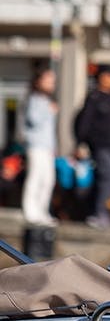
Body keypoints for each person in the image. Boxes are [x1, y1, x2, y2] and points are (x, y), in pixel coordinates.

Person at [74, 65, 110, 228]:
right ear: (102, 77)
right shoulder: (94, 98)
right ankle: (99, 214)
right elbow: (83, 123)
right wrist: (80, 144)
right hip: (99, 146)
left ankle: (101, 212)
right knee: (106, 177)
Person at [20, 67, 58, 227]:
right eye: (48, 80)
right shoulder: (34, 99)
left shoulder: (47, 101)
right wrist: (49, 112)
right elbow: (33, 120)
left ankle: (42, 211)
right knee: (35, 178)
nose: (51, 84)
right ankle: (30, 211)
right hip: (36, 146)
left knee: (48, 180)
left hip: (47, 147)